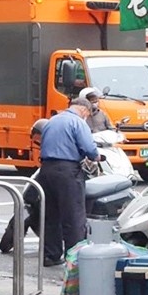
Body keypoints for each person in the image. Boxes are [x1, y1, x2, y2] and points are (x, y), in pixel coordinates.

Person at [38, 97, 99, 267]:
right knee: (73, 216)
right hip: (67, 171)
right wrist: (96, 157)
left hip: (46, 170)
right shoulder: (78, 123)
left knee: (51, 215)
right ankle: (74, 257)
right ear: (84, 110)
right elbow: (89, 148)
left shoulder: (52, 121)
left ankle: (51, 255)